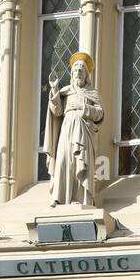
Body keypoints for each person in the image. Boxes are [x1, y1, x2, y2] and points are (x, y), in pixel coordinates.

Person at [44, 52, 105, 208]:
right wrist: (54, 90)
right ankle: (59, 197)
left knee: (81, 162)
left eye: (81, 69)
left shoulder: (92, 93)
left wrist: (82, 107)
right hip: (66, 130)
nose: (78, 71)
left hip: (84, 132)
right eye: (76, 69)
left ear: (86, 75)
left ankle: (80, 198)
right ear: (71, 74)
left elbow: (99, 114)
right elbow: (56, 112)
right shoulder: (65, 92)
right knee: (63, 161)